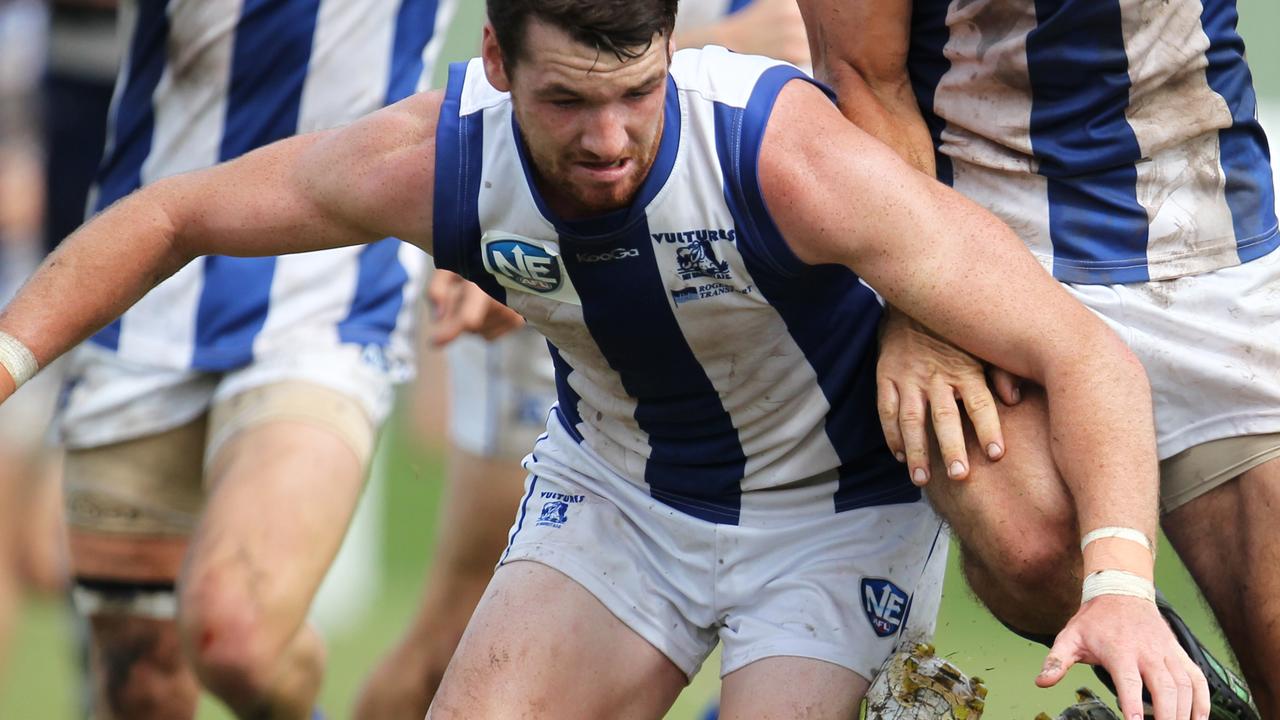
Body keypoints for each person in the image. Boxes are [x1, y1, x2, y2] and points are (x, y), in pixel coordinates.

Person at [0, 1, 1210, 717]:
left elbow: (1081, 352)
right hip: (619, 499)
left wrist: (1113, 585)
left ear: (669, 53)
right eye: (570, 101)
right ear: (494, 64)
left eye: (634, 93)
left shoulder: (781, 154)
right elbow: (171, 215)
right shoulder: (432, 160)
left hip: (831, 519)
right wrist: (9, 357)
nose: (610, 138)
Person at [796, 0, 1277, 717]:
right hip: (989, 244)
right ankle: (1190, 695)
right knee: (1033, 546)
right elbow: (861, 72)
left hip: (1206, 228)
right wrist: (918, 303)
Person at [353, 2, 811, 717]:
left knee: (804, 647)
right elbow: (543, 51)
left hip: (749, 288)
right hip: (563, 251)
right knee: (461, 635)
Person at [44, 0, 470, 717]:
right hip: (144, 286)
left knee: (236, 636)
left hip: (327, 293)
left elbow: (539, 37)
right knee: (136, 678)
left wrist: (488, 206)